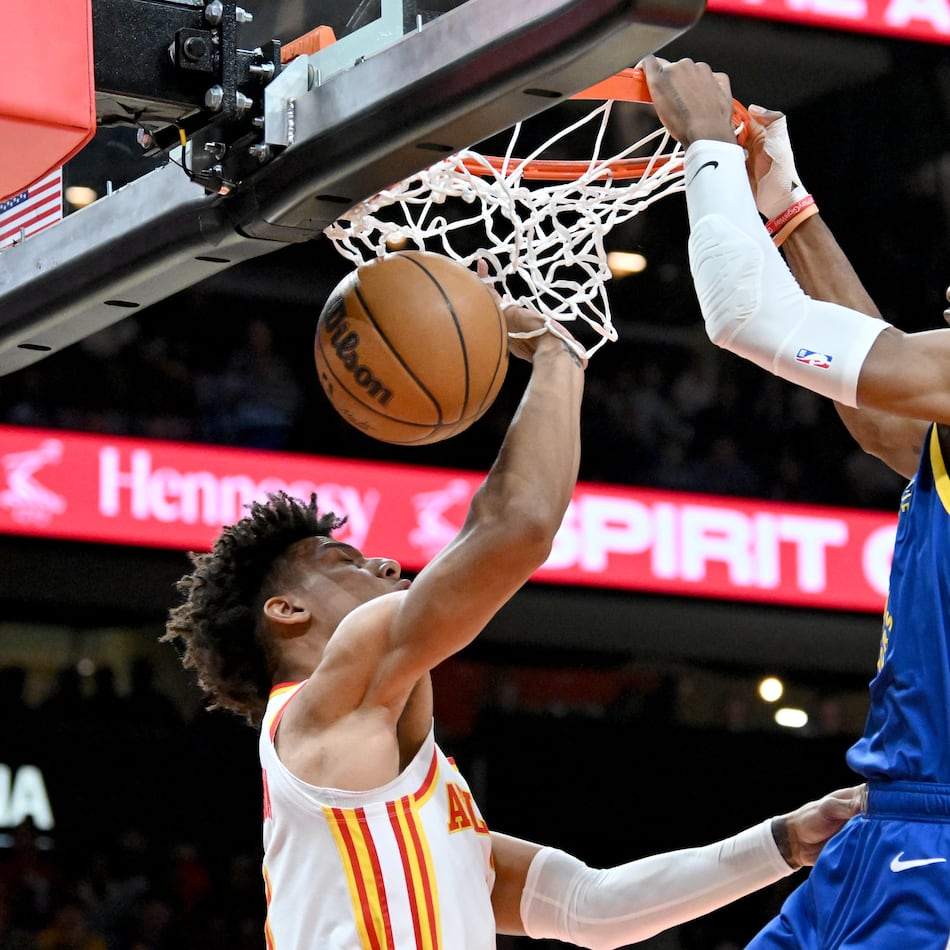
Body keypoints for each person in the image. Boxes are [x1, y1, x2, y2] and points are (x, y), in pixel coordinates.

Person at [163, 295, 862, 947]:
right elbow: (517, 528)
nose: (383, 565)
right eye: (344, 560)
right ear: (287, 612)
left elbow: (591, 908)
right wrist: (559, 356)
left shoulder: (405, 786)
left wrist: (786, 842)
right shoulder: (321, 712)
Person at [644, 55, 950, 947]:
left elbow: (747, 320)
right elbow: (880, 410)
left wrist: (702, 143)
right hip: (887, 829)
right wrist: (787, 206)